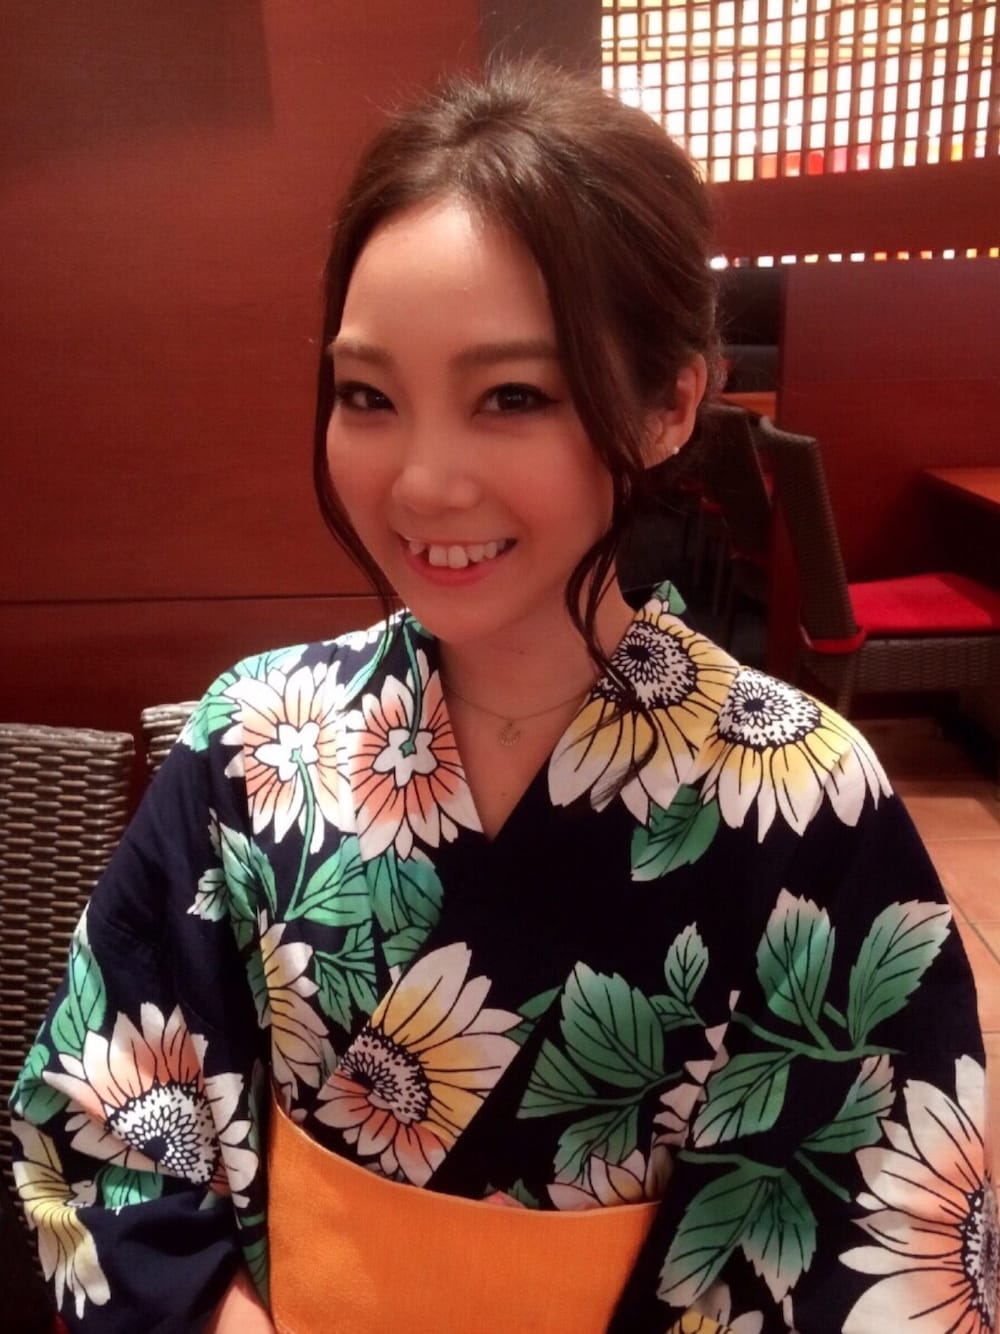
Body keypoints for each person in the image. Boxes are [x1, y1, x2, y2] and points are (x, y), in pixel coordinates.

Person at [10, 61, 995, 1334]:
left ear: (668, 403)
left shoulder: (806, 802)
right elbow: (101, 1123)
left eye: (511, 396)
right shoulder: (251, 740)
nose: (422, 481)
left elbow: (875, 1254)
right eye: (368, 395)